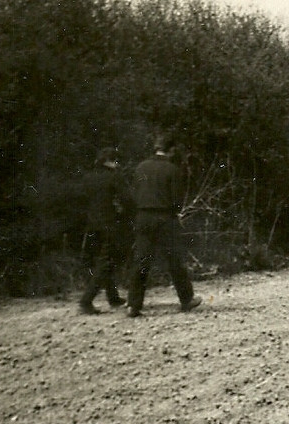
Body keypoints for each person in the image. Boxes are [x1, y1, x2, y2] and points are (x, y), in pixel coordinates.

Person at [126, 135, 202, 318]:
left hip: (143, 216)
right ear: (172, 150)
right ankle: (186, 299)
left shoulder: (140, 167)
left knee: (141, 261)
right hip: (164, 217)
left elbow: (133, 194)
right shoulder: (172, 170)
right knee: (175, 260)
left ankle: (133, 304)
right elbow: (177, 200)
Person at [79, 147, 132, 315]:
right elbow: (127, 199)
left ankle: (113, 296)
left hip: (92, 225)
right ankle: (86, 300)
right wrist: (124, 213)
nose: (118, 164)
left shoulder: (87, 178)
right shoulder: (114, 177)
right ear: (111, 161)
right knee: (107, 261)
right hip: (109, 224)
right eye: (116, 161)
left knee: (103, 260)